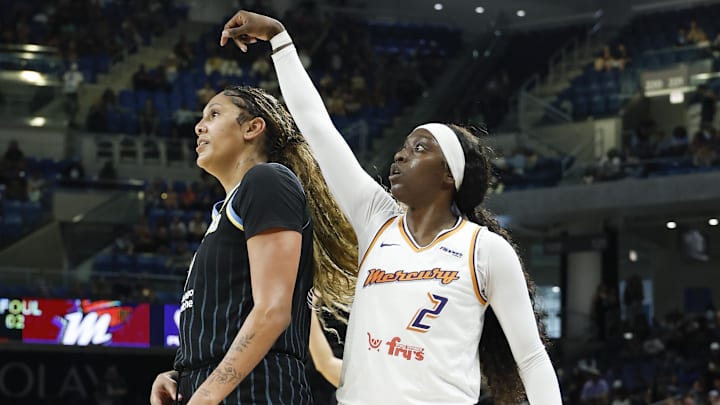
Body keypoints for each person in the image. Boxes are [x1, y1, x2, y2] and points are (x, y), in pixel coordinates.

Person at [219, 10, 562, 404]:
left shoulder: (484, 249)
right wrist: (280, 40)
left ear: (449, 175)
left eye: (419, 148)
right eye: (402, 147)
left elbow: (532, 358)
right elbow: (316, 126)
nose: (400, 156)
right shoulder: (376, 219)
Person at [149, 85, 358, 403]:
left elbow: (273, 311)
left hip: (256, 392)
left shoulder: (268, 181)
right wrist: (180, 374)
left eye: (214, 114)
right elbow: (223, 326)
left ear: (252, 127)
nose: (199, 126)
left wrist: (205, 395)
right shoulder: (227, 212)